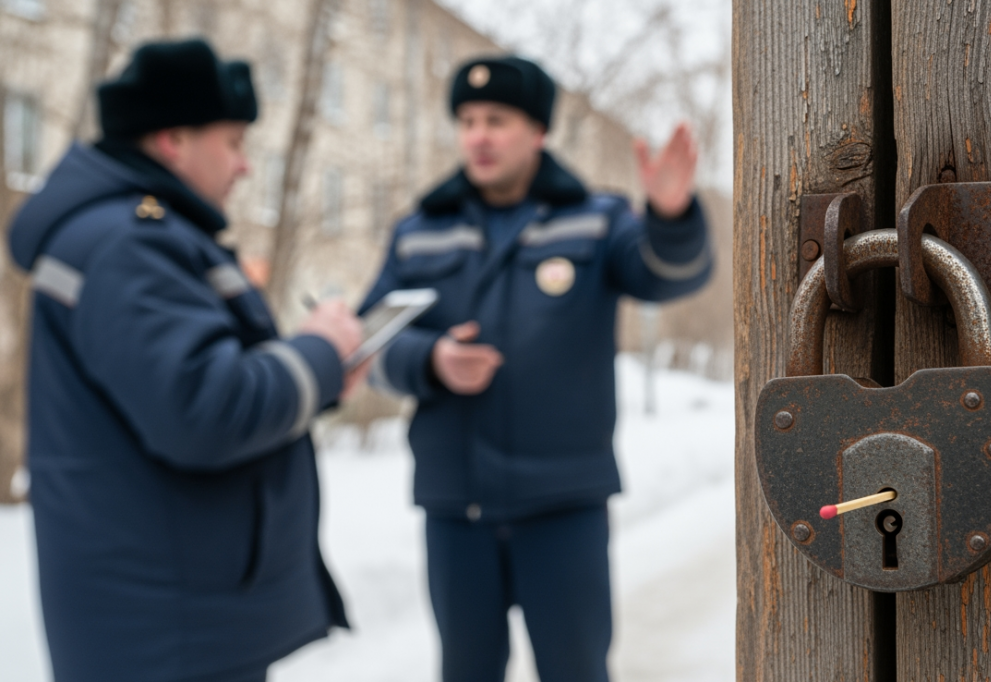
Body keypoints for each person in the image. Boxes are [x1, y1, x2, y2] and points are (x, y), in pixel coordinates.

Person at [7, 39, 365, 682]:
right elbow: (206, 408)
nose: (245, 166)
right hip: (167, 635)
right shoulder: (130, 242)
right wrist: (320, 351)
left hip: (173, 619)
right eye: (232, 143)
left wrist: (323, 375)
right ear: (173, 140)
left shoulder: (139, 233)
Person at [359, 54, 712, 682]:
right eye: (468, 121)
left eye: (497, 120)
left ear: (538, 131)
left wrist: (671, 217)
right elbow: (368, 346)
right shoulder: (419, 231)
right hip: (457, 509)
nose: (479, 136)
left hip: (564, 507)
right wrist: (431, 359)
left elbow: (668, 276)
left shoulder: (595, 219)